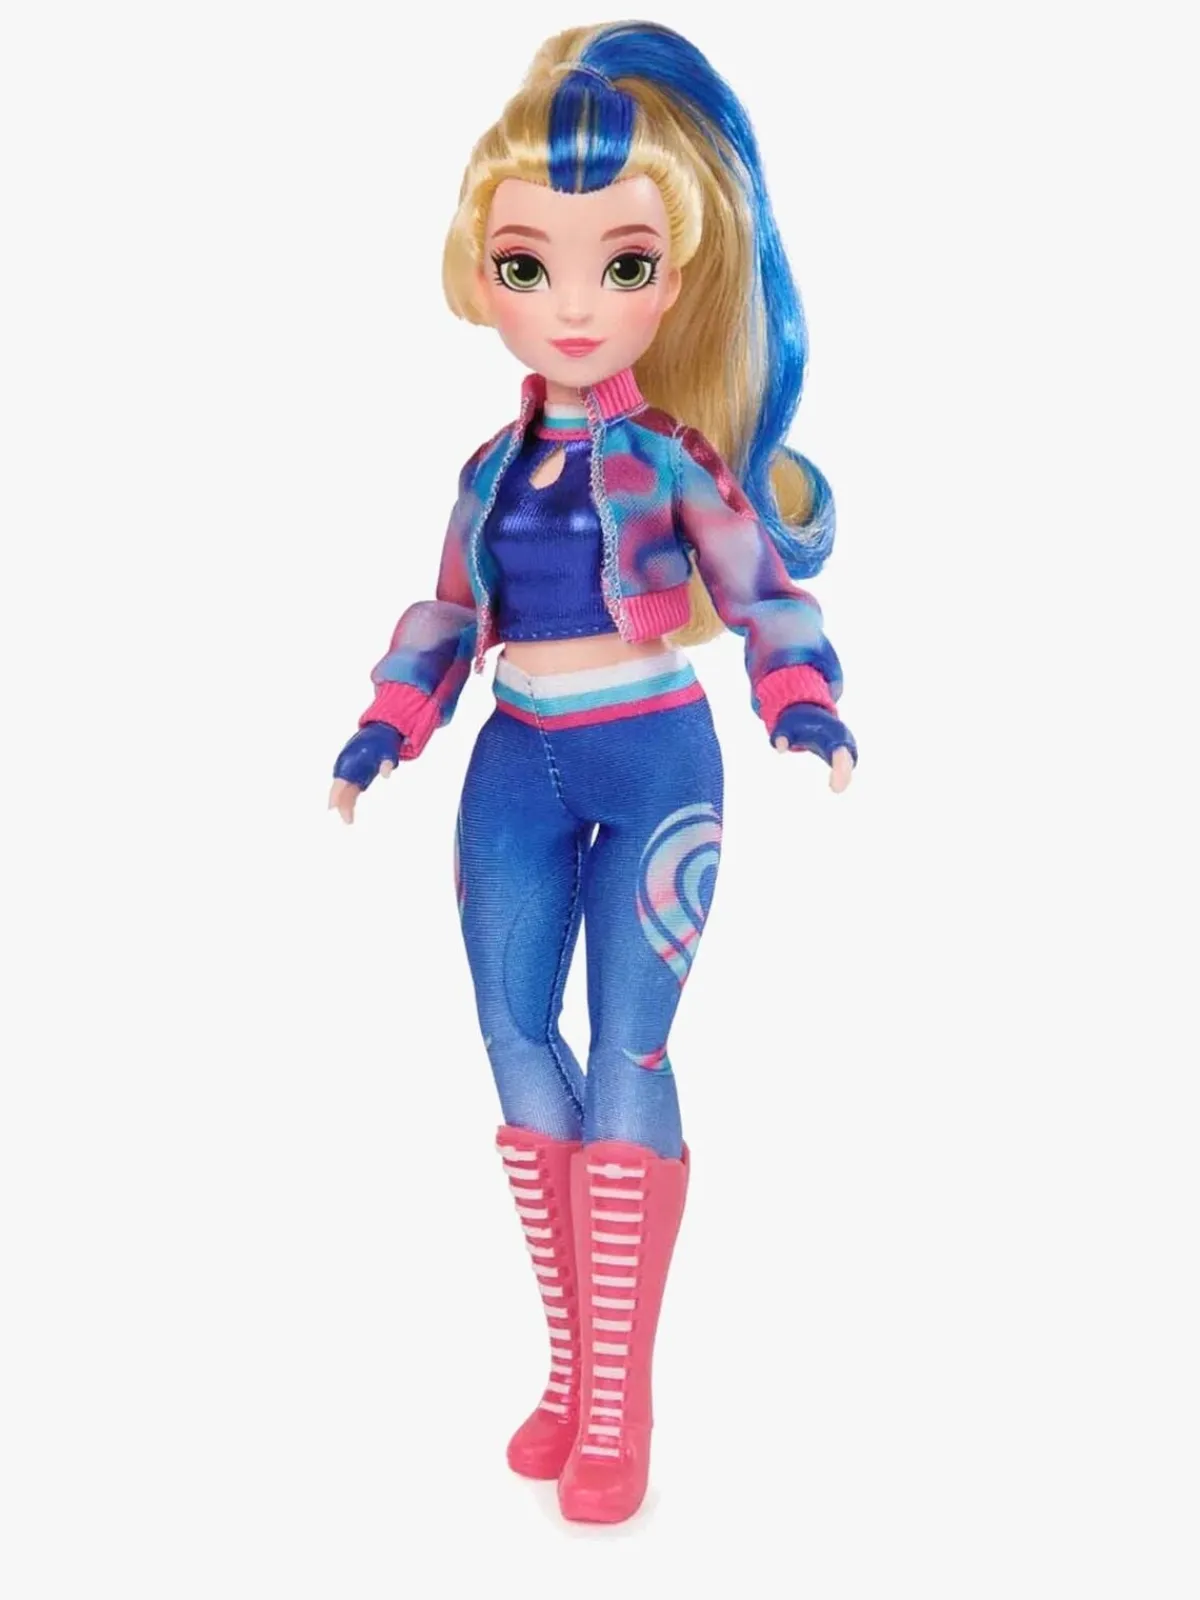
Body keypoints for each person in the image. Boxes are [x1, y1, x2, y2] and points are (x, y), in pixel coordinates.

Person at [328, 21, 856, 1524]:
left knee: (629, 1050)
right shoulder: (487, 474)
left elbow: (761, 593)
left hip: (653, 759)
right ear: (481, 273)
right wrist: (385, 728)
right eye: (528, 265)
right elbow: (445, 613)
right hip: (512, 763)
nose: (573, 305)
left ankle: (621, 1400)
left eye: (621, 265)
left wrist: (802, 698)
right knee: (513, 1041)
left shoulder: (677, 460)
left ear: (671, 281)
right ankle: (570, 1372)